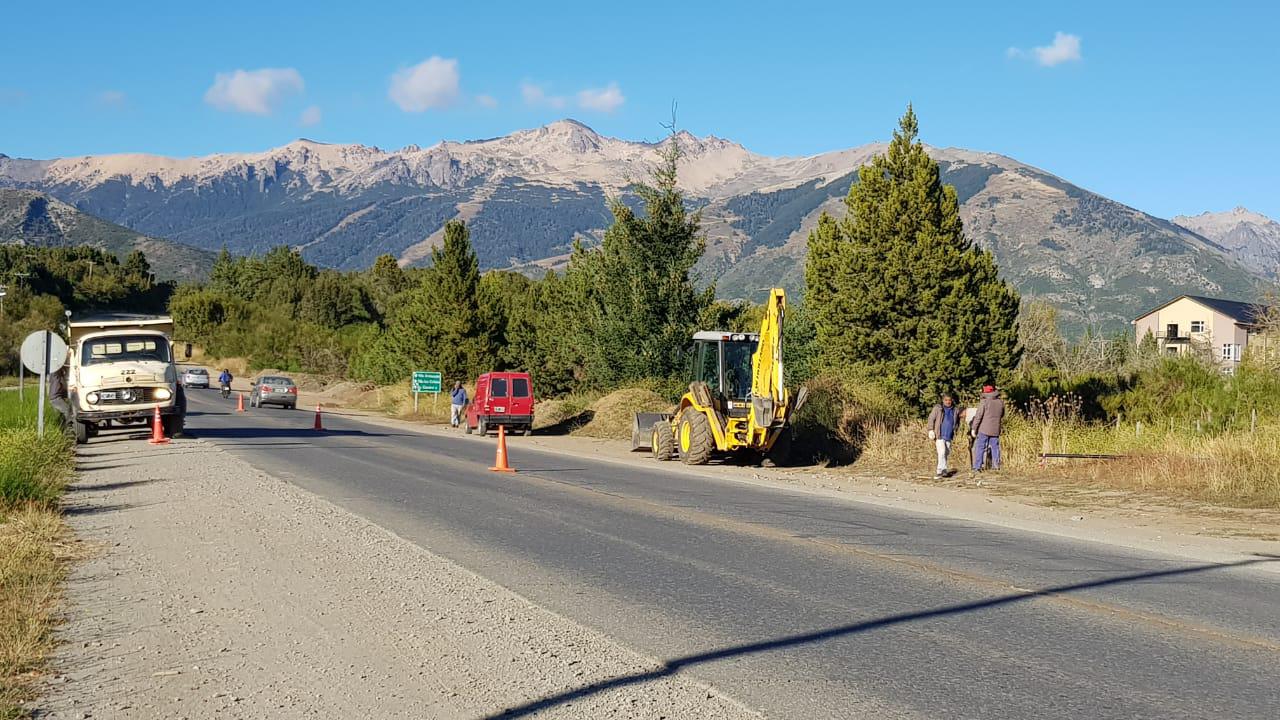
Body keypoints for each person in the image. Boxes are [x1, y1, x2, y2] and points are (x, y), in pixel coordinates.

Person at [970, 384, 1005, 472]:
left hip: (984, 429)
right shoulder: (1000, 402)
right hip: (995, 428)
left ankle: (977, 467)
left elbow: (978, 416)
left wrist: (974, 428)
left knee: (980, 447)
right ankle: (996, 466)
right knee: (995, 447)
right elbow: (1002, 414)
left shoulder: (984, 402)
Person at [926, 393, 958, 478]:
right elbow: (931, 418)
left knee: (946, 453)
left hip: (949, 435)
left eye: (949, 400)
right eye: (946, 400)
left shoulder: (954, 410)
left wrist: (955, 430)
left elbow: (956, 422)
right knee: (942, 452)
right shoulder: (938, 408)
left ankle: (939, 471)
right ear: (943, 400)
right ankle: (943, 469)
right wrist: (930, 430)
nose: (948, 402)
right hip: (939, 434)